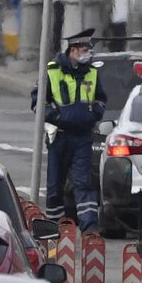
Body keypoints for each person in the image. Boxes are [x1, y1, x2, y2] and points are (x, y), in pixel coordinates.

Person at [31, 29, 107, 231]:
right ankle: (55, 227)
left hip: (83, 136)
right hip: (59, 137)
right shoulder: (52, 71)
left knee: (83, 183)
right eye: (84, 50)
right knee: (55, 186)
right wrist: (56, 117)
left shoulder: (91, 72)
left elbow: (101, 99)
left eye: (88, 51)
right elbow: (37, 103)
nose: (87, 55)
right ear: (72, 51)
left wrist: (93, 114)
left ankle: (89, 228)